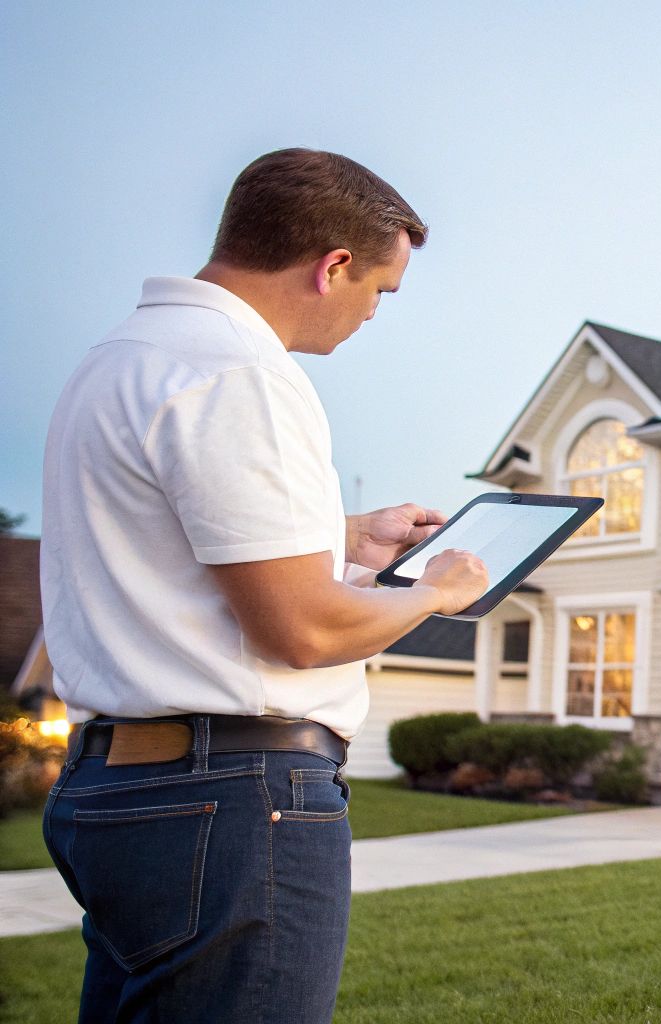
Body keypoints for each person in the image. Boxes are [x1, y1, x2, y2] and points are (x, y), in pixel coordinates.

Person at [38, 148, 489, 1023]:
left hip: (119, 789)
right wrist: (436, 591)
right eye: (379, 292)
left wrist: (348, 537)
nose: (371, 315)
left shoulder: (121, 359)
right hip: (233, 797)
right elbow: (305, 631)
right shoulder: (241, 372)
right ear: (334, 266)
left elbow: (173, 547)